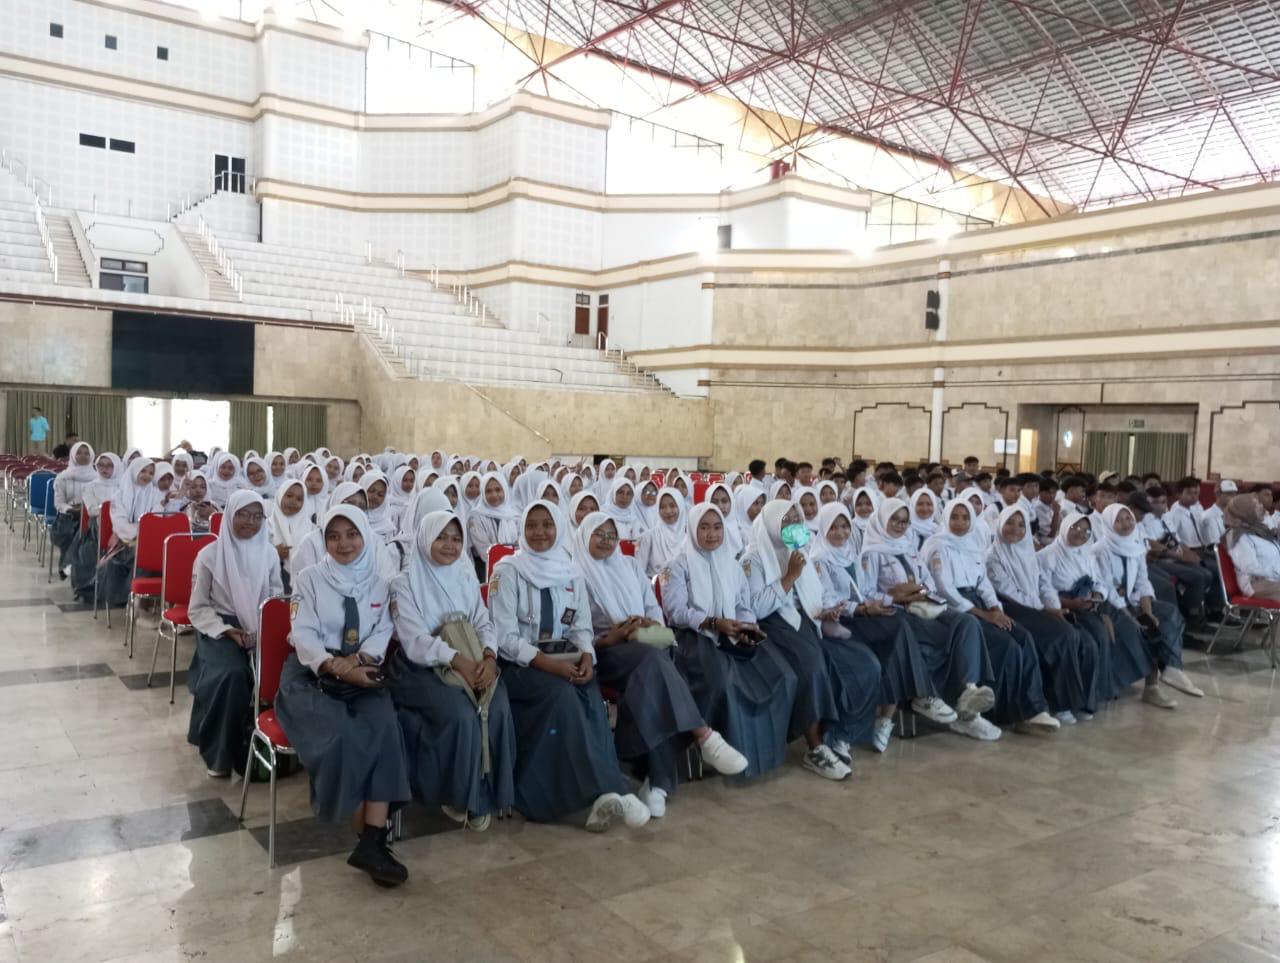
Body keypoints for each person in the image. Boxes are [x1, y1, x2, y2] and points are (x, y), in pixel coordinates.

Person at [487, 501, 650, 831]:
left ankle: (604, 793)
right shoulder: (507, 572)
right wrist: (549, 665)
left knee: (589, 691)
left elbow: (581, 628)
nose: (539, 532)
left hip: (565, 663)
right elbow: (505, 637)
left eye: (547, 524)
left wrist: (587, 656)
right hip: (520, 667)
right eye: (531, 525)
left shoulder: (571, 572)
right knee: (563, 696)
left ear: (559, 528)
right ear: (522, 529)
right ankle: (608, 789)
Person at [573, 511, 746, 817]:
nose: (606, 541)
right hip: (604, 652)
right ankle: (703, 736)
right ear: (584, 536)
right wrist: (613, 636)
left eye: (611, 535)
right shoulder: (574, 574)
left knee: (657, 677)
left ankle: (656, 781)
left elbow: (653, 606)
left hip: (644, 643)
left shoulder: (628, 565)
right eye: (598, 534)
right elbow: (577, 632)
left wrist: (648, 622)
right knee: (655, 665)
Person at [275, 506, 413, 887]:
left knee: (386, 727)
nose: (344, 544)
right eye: (333, 536)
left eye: (352, 534)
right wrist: (335, 666)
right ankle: (366, 836)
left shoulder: (379, 583)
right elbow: (303, 634)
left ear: (365, 535)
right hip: (312, 675)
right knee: (346, 734)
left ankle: (372, 841)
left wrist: (358, 662)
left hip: (362, 670)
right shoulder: (309, 579)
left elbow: (382, 630)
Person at [389, 510, 515, 830]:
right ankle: (459, 795)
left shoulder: (464, 577)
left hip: (473, 659)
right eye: (441, 537)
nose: (450, 545)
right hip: (420, 669)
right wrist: (458, 661)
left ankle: (489, 791)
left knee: (497, 707)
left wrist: (489, 657)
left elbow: (483, 621)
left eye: (457, 539)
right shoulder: (404, 584)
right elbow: (415, 641)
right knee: (461, 714)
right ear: (424, 539)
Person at [741, 500, 878, 779]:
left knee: (864, 664)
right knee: (813, 667)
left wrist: (826, 610)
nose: (794, 525)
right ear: (771, 524)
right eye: (786, 520)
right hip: (774, 625)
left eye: (797, 519)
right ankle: (815, 748)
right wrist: (790, 576)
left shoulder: (799, 551)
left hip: (808, 621)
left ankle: (838, 733)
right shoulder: (752, 560)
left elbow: (815, 593)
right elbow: (756, 608)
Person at [659, 503, 797, 778]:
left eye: (717, 527)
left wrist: (747, 625)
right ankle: (712, 747)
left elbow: (742, 605)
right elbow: (676, 612)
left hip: (730, 631)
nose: (712, 534)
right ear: (692, 529)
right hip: (693, 636)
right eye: (704, 527)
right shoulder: (677, 566)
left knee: (782, 676)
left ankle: (762, 754)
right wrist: (713, 622)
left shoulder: (731, 565)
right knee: (721, 682)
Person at [811, 502, 955, 751]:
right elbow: (828, 601)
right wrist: (864, 609)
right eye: (833, 527)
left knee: (898, 630)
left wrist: (883, 603)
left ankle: (895, 712)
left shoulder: (851, 555)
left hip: (862, 614)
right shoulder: (819, 561)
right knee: (895, 632)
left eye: (844, 526)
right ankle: (920, 695)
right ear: (823, 529)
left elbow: (865, 592)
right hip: (840, 621)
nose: (840, 533)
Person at [857, 498, 1006, 740]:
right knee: (941, 637)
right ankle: (934, 699)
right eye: (894, 520)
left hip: (925, 605)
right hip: (898, 611)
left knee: (966, 623)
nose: (899, 525)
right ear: (882, 519)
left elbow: (927, 581)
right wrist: (894, 596)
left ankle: (969, 691)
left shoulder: (909, 548)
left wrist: (920, 591)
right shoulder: (871, 554)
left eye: (904, 521)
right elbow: (865, 593)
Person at [921, 500, 1060, 735]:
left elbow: (983, 583)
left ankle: (1034, 708)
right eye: (954, 517)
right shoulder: (937, 546)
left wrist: (995, 607)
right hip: (955, 609)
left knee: (1023, 637)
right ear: (945, 518)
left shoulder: (972, 545)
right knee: (1006, 646)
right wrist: (985, 615)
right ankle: (1007, 713)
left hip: (979, 602)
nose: (960, 522)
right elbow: (945, 590)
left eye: (965, 517)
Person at [187, 491, 282, 778]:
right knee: (232, 674)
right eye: (243, 514)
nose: (250, 522)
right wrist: (228, 631)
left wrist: (263, 630)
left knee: (288, 670)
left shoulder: (269, 553)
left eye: (257, 516)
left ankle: (272, 746)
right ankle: (220, 753)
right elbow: (198, 608)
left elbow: (276, 597)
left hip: (260, 624)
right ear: (229, 515)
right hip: (220, 626)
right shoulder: (209, 556)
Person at [986, 505, 1098, 724]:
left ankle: (1077, 700)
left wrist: (1053, 606)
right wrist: (1043, 608)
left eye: (1021, 525)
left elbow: (1043, 584)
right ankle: (1060, 704)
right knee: (1063, 636)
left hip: (1037, 608)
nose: (1015, 529)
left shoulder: (1028, 552)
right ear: (999, 525)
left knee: (1082, 639)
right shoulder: (993, 557)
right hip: (1014, 609)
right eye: (1010, 523)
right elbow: (1008, 592)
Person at [1037, 514, 1157, 707]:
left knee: (1129, 628)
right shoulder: (1046, 556)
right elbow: (1044, 589)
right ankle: (1089, 694)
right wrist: (1069, 603)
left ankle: (1113, 683)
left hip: (1090, 603)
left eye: (1086, 531)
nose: (1081, 534)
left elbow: (1100, 581)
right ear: (1065, 527)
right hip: (1065, 606)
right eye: (1075, 528)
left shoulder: (1087, 553)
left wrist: (1098, 595)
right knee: (1099, 635)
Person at [1093, 504, 1202, 701]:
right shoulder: (1101, 550)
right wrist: (1131, 616)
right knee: (1142, 629)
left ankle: (1172, 669)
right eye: (1118, 520)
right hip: (1109, 605)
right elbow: (1107, 587)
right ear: (1108, 524)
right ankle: (1146, 684)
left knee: (1168, 615)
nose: (1125, 524)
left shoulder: (1136, 547)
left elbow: (1143, 582)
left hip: (1132, 601)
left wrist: (1148, 612)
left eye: (1128, 518)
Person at [102, 457, 163, 608]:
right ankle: (132, 599)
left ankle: (139, 599)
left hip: (146, 543)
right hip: (122, 544)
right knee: (142, 553)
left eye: (151, 473)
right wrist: (139, 532)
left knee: (150, 553)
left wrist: (141, 533)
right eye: (143, 471)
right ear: (134, 471)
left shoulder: (156, 495)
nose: (147, 475)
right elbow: (120, 524)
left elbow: (155, 521)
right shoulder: (118, 496)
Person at [52, 441, 96, 577]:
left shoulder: (97, 478)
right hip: (68, 515)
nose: (83, 456)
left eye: (86, 453)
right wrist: (72, 510)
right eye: (79, 453)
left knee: (88, 530)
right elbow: (59, 503)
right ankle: (74, 566)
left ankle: (68, 565)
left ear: (91, 456)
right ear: (72, 455)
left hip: (90, 514)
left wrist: (86, 510)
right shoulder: (62, 478)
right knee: (74, 530)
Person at [1224, 494, 1280, 601]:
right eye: (1256, 505)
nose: (1261, 506)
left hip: (1274, 578)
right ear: (1244, 511)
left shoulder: (1261, 530)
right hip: (1257, 584)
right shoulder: (1239, 536)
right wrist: (1277, 572)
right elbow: (1249, 567)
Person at [267, 479, 314, 593]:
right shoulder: (267, 526)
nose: (293, 501)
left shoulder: (311, 529)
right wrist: (273, 553)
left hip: (302, 583)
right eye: (289, 496)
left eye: (299, 499)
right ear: (280, 496)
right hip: (271, 581)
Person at [635, 489, 687, 577]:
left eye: (672, 506)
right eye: (662, 507)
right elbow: (639, 573)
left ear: (680, 506)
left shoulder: (689, 537)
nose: (668, 511)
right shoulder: (647, 537)